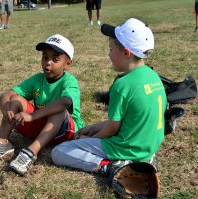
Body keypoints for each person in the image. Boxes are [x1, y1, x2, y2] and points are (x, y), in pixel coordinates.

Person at [51, 18, 167, 173]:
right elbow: (125, 120)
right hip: (148, 147)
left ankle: (110, 166)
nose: (108, 54)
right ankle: (146, 159)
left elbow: (112, 128)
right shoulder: (153, 76)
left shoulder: (122, 85)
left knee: (59, 152)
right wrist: (91, 128)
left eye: (111, 49)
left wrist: (92, 138)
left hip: (125, 148)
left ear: (126, 53)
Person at [0, 34, 85, 176]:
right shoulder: (37, 79)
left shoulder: (69, 82)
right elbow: (6, 95)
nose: (48, 62)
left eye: (55, 59)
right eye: (45, 57)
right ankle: (3, 143)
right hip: (42, 127)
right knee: (15, 98)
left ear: (68, 63)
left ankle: (30, 152)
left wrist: (32, 115)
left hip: (64, 133)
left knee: (58, 109)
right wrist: (6, 110)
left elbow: (65, 102)